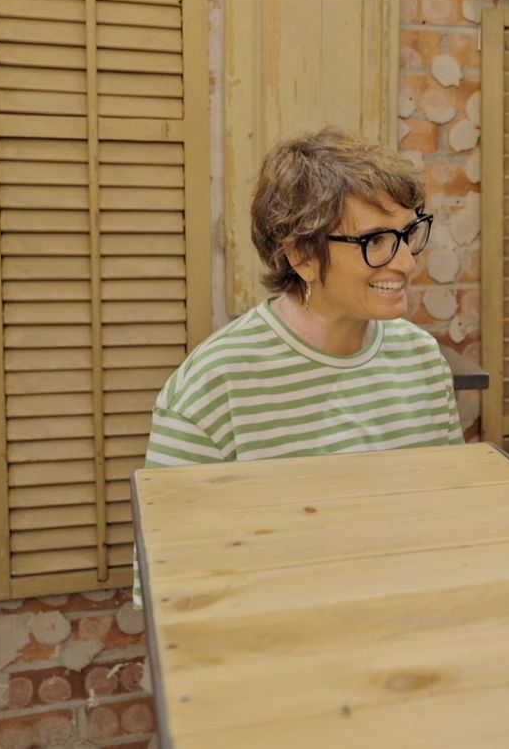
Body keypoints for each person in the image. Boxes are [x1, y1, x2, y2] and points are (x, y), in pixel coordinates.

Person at [133, 127, 463, 606]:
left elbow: (452, 518)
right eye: (376, 240)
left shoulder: (420, 358)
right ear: (302, 255)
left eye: (410, 234)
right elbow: (166, 589)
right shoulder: (213, 385)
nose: (407, 262)